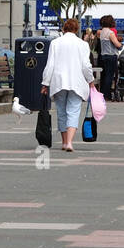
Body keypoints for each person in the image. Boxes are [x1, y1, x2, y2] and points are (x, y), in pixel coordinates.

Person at [41, 18, 95, 152]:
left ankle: (64, 142)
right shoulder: (83, 44)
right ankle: (70, 142)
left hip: (59, 81)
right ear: (76, 30)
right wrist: (91, 81)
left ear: (64, 29)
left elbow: (50, 65)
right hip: (76, 82)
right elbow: (86, 66)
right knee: (73, 110)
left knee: (61, 111)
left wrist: (45, 83)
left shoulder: (55, 43)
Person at [98, 15, 122, 102]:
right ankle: (106, 94)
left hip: (104, 55)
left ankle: (103, 93)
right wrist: (121, 44)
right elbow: (117, 44)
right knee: (110, 76)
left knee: (105, 75)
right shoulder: (110, 33)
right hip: (111, 55)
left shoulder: (102, 32)